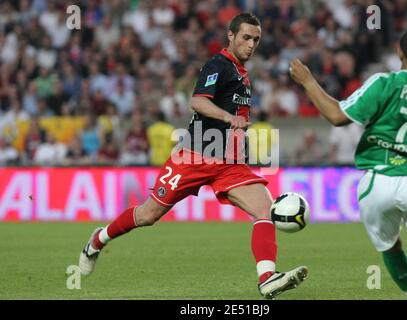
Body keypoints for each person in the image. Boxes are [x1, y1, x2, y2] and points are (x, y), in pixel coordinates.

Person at [78, 13, 307, 299]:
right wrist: (227, 117)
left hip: (229, 162)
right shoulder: (218, 65)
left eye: (256, 39)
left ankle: (267, 278)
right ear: (231, 36)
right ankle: (98, 240)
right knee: (148, 215)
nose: (251, 45)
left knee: (264, 209)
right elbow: (197, 101)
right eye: (246, 38)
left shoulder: (243, 74)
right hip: (193, 157)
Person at [289, 27, 407, 299]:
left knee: (389, 246)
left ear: (399, 52)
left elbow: (337, 116)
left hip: (376, 182)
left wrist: (307, 81)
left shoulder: (383, 83)